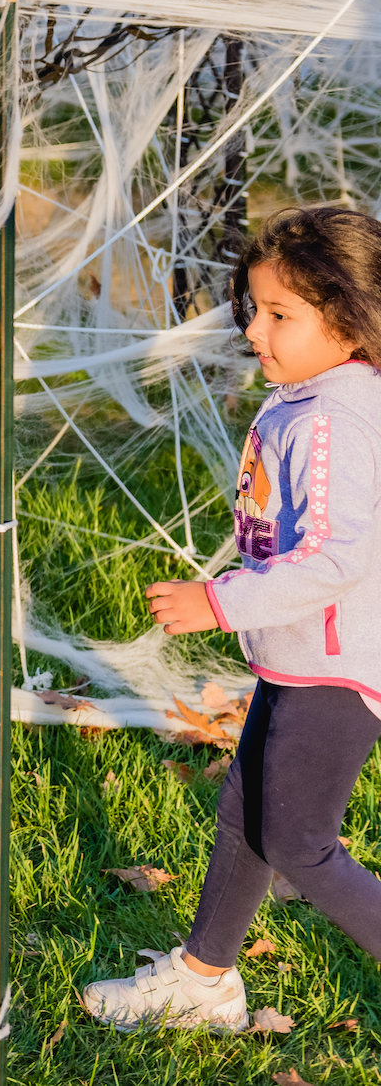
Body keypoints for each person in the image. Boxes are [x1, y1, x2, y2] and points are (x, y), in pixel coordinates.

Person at [82, 205, 381, 1032]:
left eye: (281, 314)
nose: (256, 330)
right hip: (297, 656)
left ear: (350, 317)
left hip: (333, 669)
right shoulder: (314, 395)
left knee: (299, 845)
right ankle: (205, 980)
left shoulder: (332, 417)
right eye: (255, 309)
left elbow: (336, 559)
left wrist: (219, 601)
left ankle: (205, 977)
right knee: (248, 816)